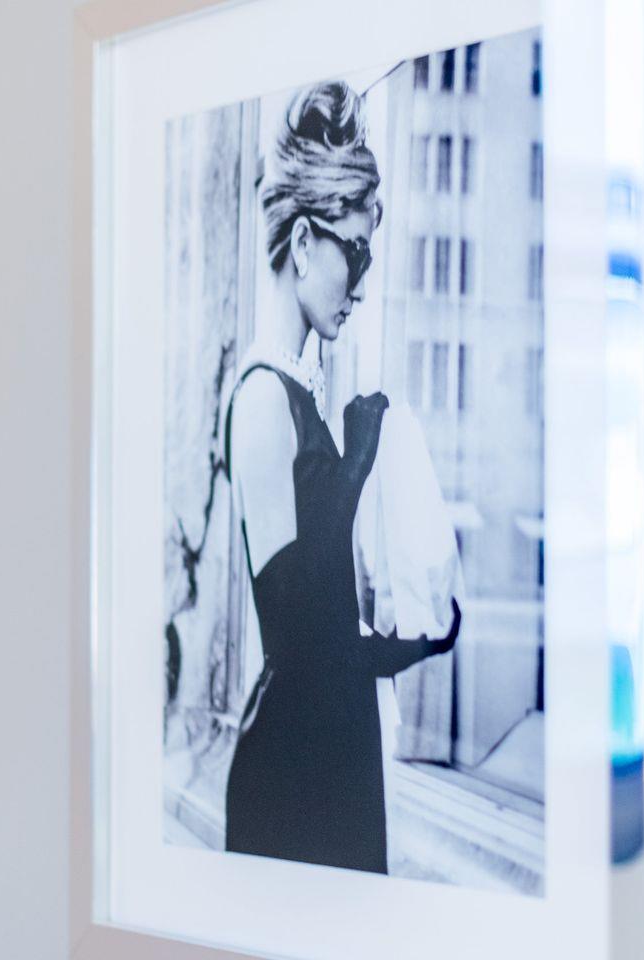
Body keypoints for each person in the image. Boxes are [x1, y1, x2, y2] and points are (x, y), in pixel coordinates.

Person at [223, 80, 460, 875]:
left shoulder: (298, 393)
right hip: (291, 775)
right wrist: (355, 466)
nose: (360, 280)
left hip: (331, 753)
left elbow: (332, 634)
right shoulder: (263, 399)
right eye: (352, 251)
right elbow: (299, 644)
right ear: (302, 243)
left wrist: (417, 638)